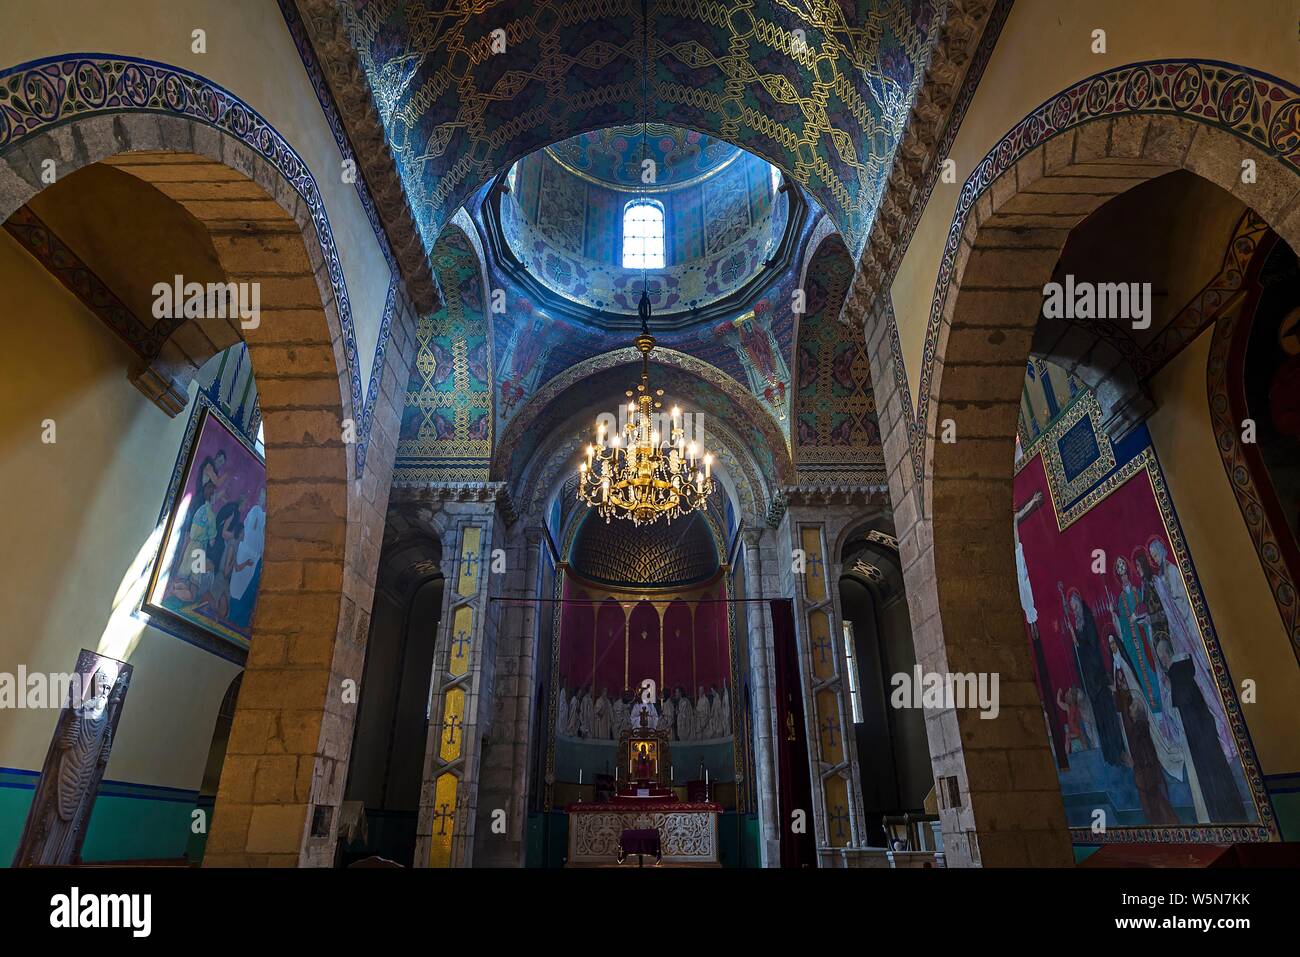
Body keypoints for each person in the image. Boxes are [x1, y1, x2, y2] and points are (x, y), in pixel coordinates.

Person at [1061, 586, 1126, 766]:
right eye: (1070, 605)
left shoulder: (1087, 618)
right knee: (1099, 719)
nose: (1072, 607)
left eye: (1073, 603)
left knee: (1108, 716)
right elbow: (1079, 655)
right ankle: (1110, 756)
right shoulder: (1078, 622)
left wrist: (1077, 641)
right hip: (1090, 681)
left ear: (1078, 601)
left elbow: (1091, 645)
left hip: (1097, 676)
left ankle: (1118, 751)